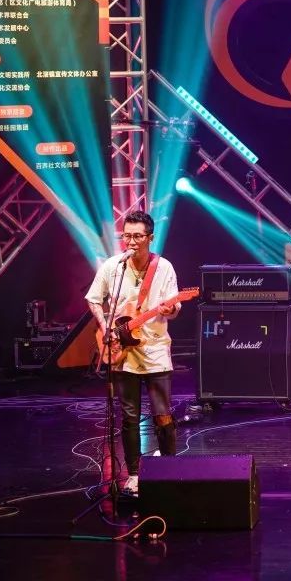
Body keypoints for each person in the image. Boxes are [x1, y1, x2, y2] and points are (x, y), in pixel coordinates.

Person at [86, 210, 182, 495]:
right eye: (127, 236)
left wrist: (171, 309)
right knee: (129, 417)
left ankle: (170, 471)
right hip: (123, 352)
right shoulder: (113, 267)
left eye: (137, 236)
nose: (131, 241)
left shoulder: (164, 268)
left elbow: (175, 306)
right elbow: (93, 299)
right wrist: (106, 327)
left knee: (162, 414)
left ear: (150, 238)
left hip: (155, 350)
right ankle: (134, 474)